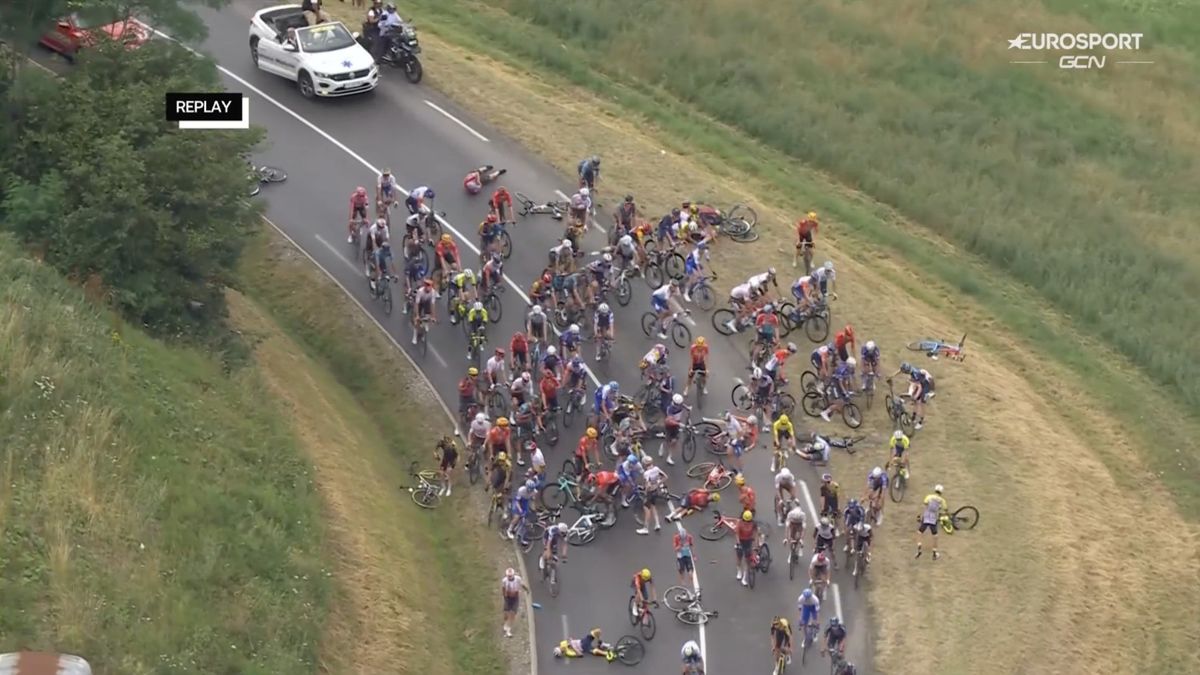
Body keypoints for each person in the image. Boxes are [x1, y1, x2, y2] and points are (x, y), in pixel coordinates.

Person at [891, 362, 935, 430]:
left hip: (926, 385)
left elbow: (919, 387)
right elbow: (900, 371)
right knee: (916, 402)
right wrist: (892, 376)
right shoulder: (910, 369)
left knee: (921, 403)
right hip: (921, 381)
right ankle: (913, 418)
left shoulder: (915, 374)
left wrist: (915, 397)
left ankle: (920, 422)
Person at [819, 356, 857, 422]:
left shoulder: (849, 369)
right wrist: (845, 392)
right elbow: (840, 383)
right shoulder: (842, 370)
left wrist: (848, 391)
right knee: (839, 403)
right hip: (835, 383)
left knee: (845, 400)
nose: (854, 368)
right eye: (853, 366)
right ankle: (825, 413)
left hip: (840, 382)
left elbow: (846, 381)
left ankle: (852, 418)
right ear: (849, 365)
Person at [917, 484, 948, 560]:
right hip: (933, 519)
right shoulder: (942, 500)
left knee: (920, 533)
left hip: (926, 517)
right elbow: (945, 509)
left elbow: (925, 504)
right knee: (935, 536)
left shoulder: (929, 497)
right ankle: (934, 553)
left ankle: (919, 547)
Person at [500, 567, 529, 638]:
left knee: (513, 613)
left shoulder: (517, 579)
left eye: (510, 576)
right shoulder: (504, 581)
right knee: (506, 613)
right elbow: (503, 588)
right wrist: (504, 596)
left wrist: (526, 589)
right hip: (508, 597)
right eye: (508, 576)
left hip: (515, 598)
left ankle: (508, 629)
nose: (509, 577)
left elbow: (522, 584)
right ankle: (505, 624)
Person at [734, 509, 758, 586]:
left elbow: (755, 533)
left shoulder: (753, 524)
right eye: (746, 521)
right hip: (741, 541)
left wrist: (755, 543)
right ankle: (739, 571)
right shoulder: (739, 523)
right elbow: (737, 534)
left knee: (747, 561)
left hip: (748, 541)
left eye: (749, 521)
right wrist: (738, 544)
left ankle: (744, 578)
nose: (747, 522)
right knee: (739, 557)